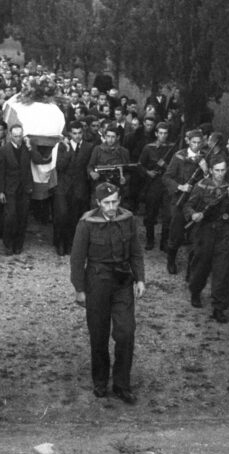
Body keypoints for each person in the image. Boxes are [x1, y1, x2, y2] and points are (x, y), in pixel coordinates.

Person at [70, 182, 145, 404]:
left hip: (122, 282)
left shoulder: (128, 219)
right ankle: (100, 381)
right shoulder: (87, 224)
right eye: (106, 203)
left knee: (126, 333)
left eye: (114, 201)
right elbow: (77, 259)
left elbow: (136, 251)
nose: (111, 207)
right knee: (99, 334)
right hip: (97, 283)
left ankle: (122, 384)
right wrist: (79, 289)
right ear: (98, 203)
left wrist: (140, 278)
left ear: (119, 200)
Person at [184, 157, 229, 323]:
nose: (220, 174)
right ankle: (195, 291)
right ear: (210, 170)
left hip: (224, 232)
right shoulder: (201, 185)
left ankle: (219, 307)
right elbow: (188, 205)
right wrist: (193, 214)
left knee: (222, 270)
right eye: (217, 170)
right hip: (205, 231)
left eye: (223, 170)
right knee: (201, 264)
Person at [163, 129, 208, 274]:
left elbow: (213, 179)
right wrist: (180, 186)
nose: (196, 145)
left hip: (197, 201)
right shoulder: (179, 156)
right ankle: (171, 260)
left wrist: (205, 169)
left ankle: (193, 268)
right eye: (193, 142)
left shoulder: (205, 157)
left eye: (199, 142)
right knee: (176, 232)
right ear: (188, 141)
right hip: (180, 200)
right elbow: (167, 177)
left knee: (197, 235)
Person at [53, 121, 94, 256]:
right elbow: (59, 166)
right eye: (74, 133)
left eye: (80, 133)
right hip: (63, 188)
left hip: (79, 188)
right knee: (62, 215)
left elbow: (89, 167)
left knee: (75, 217)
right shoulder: (62, 146)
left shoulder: (89, 147)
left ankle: (71, 245)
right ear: (70, 133)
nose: (77, 136)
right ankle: (60, 243)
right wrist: (69, 150)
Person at [0, 124, 35, 255]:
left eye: (20, 136)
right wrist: (1, 191)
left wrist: (30, 147)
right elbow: (0, 172)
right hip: (10, 189)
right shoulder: (4, 150)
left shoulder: (27, 148)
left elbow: (37, 160)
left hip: (24, 188)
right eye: (15, 136)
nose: (18, 139)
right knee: (10, 217)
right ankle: (8, 244)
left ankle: (19, 244)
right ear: (10, 135)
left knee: (23, 217)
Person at [138, 122, 174, 251]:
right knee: (150, 213)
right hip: (153, 183)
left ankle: (164, 242)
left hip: (167, 184)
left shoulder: (173, 148)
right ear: (156, 133)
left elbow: (176, 167)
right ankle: (150, 239)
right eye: (161, 133)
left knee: (167, 215)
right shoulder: (149, 148)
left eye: (165, 133)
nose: (163, 136)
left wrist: (165, 166)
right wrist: (148, 172)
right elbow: (140, 164)